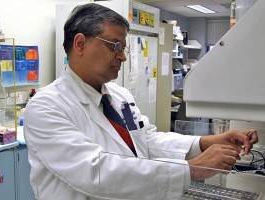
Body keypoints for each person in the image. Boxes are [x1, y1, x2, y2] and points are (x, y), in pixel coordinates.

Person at [24, 3, 258, 200]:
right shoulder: (47, 106)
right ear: (80, 44)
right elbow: (93, 170)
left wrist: (205, 142)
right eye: (115, 46)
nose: (123, 56)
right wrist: (192, 169)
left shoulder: (119, 98)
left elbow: (144, 140)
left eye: (123, 47)